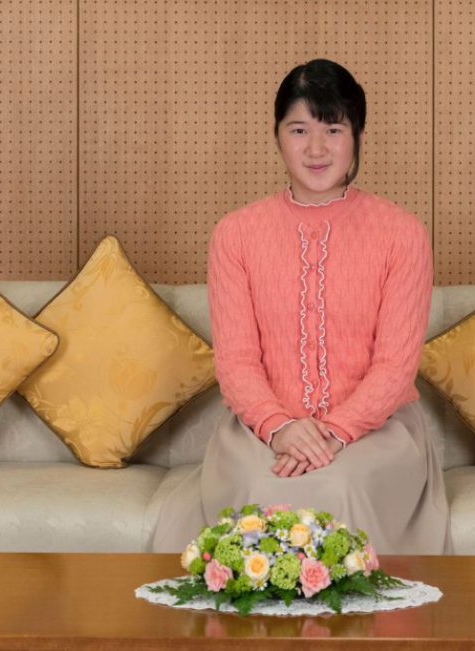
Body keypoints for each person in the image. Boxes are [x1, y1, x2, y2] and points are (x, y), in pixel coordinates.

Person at [151, 59, 451, 555]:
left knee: (338, 487)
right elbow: (237, 361)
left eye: (333, 128)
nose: (316, 148)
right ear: (277, 137)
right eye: (299, 129)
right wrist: (282, 427)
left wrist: (333, 433)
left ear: (356, 135)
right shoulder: (236, 234)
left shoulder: (402, 234)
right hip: (260, 431)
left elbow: (395, 367)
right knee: (266, 492)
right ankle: (257, 634)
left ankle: (348, 631)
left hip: (376, 434)